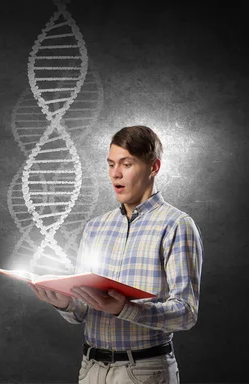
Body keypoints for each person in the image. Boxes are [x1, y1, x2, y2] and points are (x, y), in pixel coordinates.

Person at [28, 125, 203, 383]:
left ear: (154, 167)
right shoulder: (95, 227)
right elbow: (82, 312)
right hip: (91, 370)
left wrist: (126, 309)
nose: (115, 174)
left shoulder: (176, 225)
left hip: (144, 371)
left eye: (127, 164)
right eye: (111, 165)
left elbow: (186, 313)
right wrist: (62, 301)